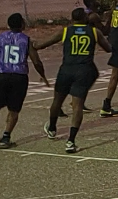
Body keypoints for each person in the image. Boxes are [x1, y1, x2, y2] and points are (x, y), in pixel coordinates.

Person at [36, 8, 112, 153]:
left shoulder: (65, 31)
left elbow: (42, 45)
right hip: (84, 70)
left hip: (67, 69)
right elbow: (108, 48)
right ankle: (70, 141)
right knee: (78, 106)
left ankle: (52, 128)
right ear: (85, 18)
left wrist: (31, 45)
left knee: (57, 100)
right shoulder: (94, 32)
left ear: (72, 19)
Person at [0, 13, 48, 150]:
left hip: (0, 75)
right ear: (22, 24)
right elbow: (36, 61)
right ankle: (6, 137)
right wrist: (43, 75)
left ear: (8, 25)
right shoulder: (26, 40)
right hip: (18, 77)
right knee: (14, 109)